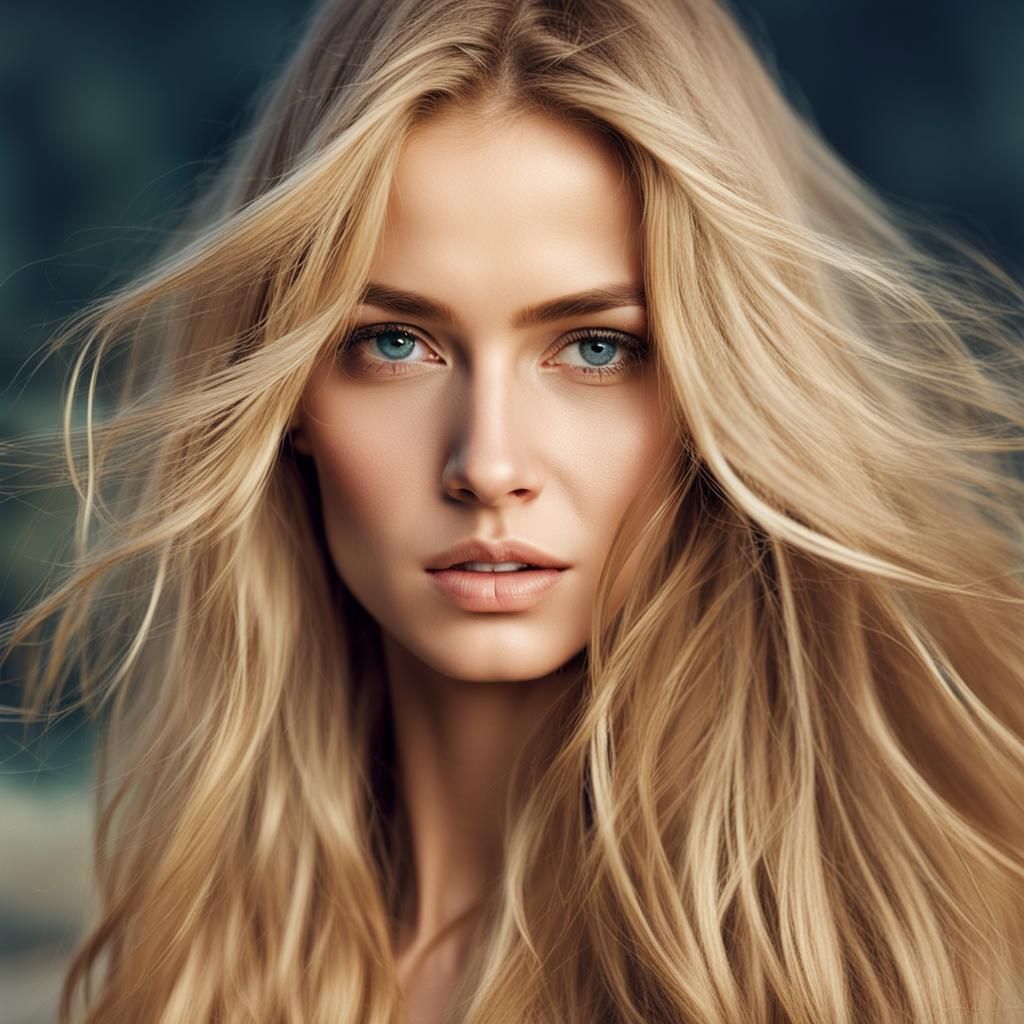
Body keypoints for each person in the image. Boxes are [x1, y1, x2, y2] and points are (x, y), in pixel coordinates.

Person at [3, 0, 1023, 1021]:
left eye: (595, 346)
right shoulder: (193, 972)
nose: (488, 464)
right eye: (394, 342)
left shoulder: (920, 950)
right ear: (290, 396)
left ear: (720, 389)